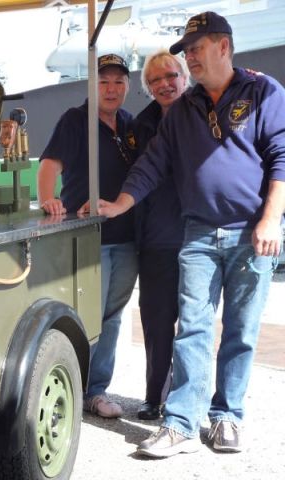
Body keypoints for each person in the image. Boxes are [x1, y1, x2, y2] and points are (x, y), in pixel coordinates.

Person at [98, 11, 285, 456]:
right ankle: (181, 423)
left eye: (196, 50)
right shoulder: (183, 108)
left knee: (240, 330)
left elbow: (281, 155)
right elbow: (153, 162)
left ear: (223, 46)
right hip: (198, 233)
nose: (192, 60)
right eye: (188, 53)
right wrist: (121, 203)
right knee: (193, 329)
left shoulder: (263, 91)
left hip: (249, 233)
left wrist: (270, 219)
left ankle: (226, 417)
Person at [38, 53, 138, 418]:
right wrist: (49, 200)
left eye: (119, 81)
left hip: (127, 237)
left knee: (112, 315)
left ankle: (96, 391)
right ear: (92, 86)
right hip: (89, 237)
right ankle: (74, 389)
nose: (111, 89)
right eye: (104, 81)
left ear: (128, 86)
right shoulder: (75, 120)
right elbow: (49, 165)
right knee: (87, 315)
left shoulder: (128, 124)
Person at [131, 50, 189, 421]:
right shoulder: (141, 124)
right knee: (156, 322)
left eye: (170, 75)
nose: (164, 84)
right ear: (148, 88)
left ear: (185, 76)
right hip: (155, 242)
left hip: (198, 238)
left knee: (194, 327)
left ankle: (186, 402)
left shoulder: (203, 114)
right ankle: (155, 394)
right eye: (155, 80)